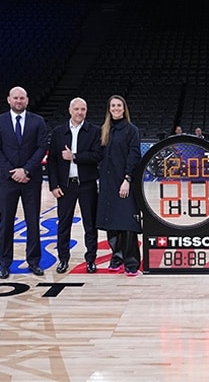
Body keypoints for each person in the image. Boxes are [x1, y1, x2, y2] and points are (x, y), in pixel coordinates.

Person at [0, 86, 48, 279]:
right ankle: (5, 263)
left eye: (22, 98)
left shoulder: (37, 121)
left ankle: (34, 262)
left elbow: (41, 148)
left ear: (27, 100)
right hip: (7, 181)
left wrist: (26, 170)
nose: (19, 101)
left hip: (31, 179)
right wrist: (12, 172)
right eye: (15, 98)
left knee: (33, 223)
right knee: (6, 223)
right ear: (8, 100)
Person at [47, 97, 102, 274]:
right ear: (70, 110)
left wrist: (75, 157)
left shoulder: (94, 131)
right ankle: (63, 259)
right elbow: (52, 161)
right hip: (65, 186)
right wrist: (54, 185)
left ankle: (91, 260)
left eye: (83, 109)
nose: (80, 112)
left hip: (87, 185)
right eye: (77, 109)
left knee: (90, 225)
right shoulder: (58, 132)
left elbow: (97, 156)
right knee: (63, 224)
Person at [96, 95, 143, 277]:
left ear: (124, 109)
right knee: (111, 222)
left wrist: (127, 178)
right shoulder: (104, 130)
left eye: (119, 106)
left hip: (124, 182)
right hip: (107, 184)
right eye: (112, 106)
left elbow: (134, 155)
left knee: (127, 223)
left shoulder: (132, 130)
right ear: (109, 109)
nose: (115, 108)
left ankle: (131, 263)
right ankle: (117, 257)